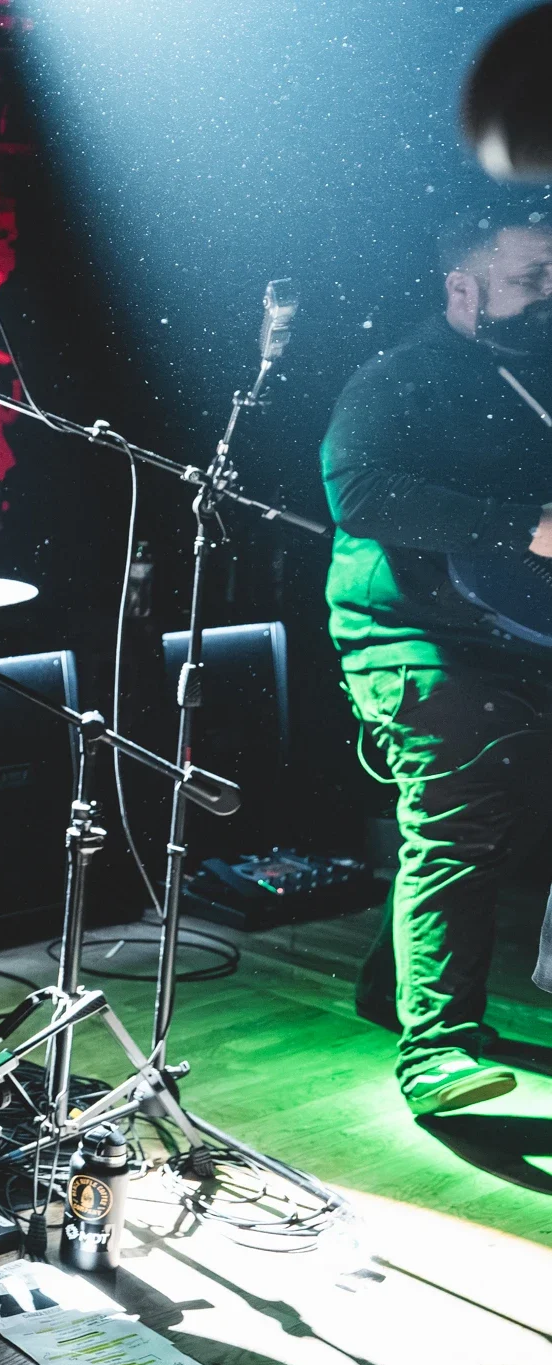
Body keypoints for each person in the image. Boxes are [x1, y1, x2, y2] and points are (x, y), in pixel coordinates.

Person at [324, 204, 552, 1120]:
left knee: (502, 817)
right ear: (463, 287)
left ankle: (394, 988)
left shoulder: (534, 374)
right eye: (527, 279)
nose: (548, 296)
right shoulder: (398, 378)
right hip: (407, 634)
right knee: (459, 809)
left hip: (512, 635)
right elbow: (356, 487)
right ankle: (438, 1052)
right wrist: (526, 528)